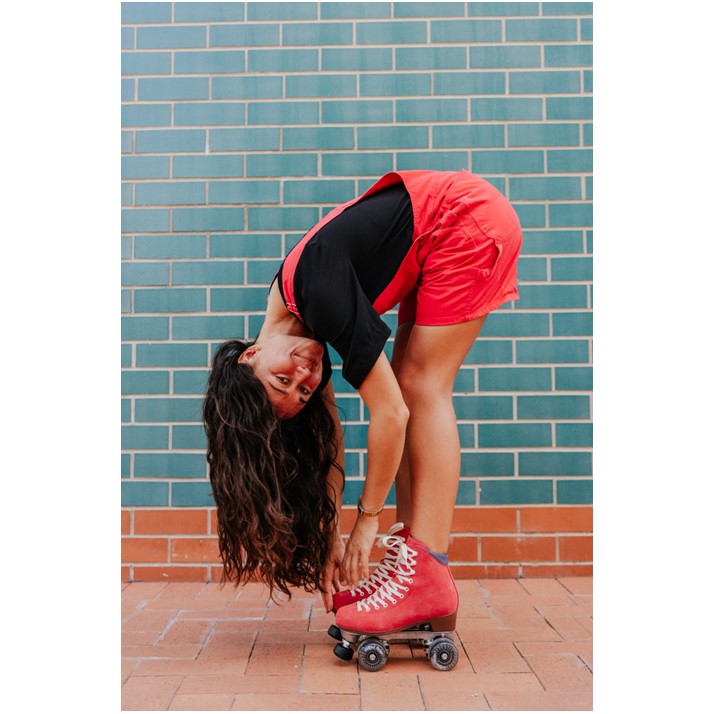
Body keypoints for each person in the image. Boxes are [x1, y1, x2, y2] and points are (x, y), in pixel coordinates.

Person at [203, 169, 522, 635]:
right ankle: (413, 573)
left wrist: (367, 522)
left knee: (419, 387)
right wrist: (331, 532)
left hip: (462, 219)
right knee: (408, 383)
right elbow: (328, 438)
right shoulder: (296, 327)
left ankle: (426, 575)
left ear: (250, 355)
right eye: (302, 392)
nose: (304, 377)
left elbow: (390, 415)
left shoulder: (316, 295)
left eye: (282, 380)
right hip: (436, 239)